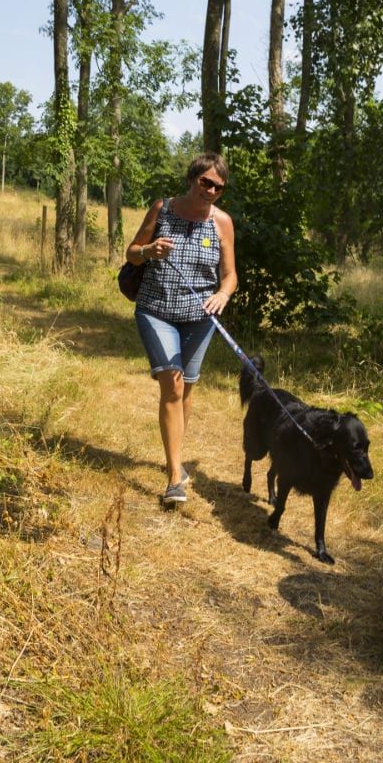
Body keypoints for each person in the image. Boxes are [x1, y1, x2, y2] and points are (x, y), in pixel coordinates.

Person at [127, 153, 237, 508]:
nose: (211, 190)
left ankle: (175, 457)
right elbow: (131, 253)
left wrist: (223, 293)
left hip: (199, 318)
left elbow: (230, 275)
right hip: (156, 310)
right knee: (172, 385)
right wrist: (149, 250)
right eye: (205, 182)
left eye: (218, 187)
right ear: (192, 179)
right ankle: (175, 477)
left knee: (185, 391)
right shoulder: (163, 208)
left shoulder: (222, 223)